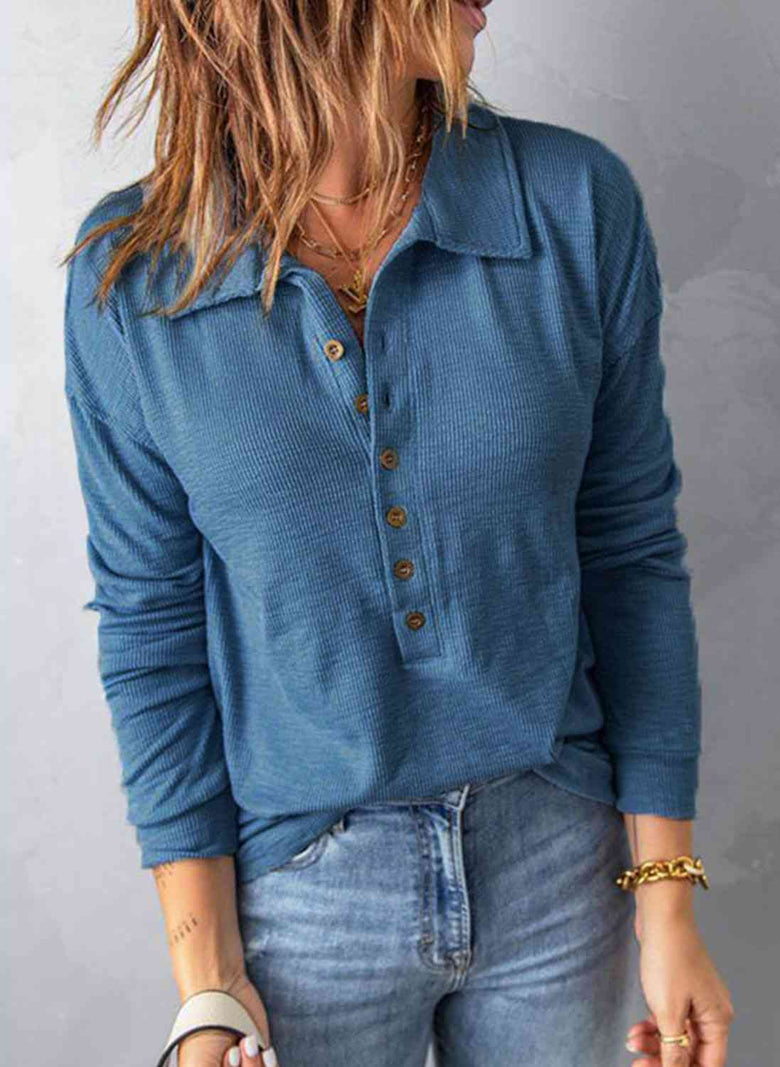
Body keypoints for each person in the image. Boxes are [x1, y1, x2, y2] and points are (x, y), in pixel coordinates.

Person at [61, 2, 734, 1066]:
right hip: (299, 898)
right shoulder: (134, 278)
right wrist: (208, 986)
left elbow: (629, 554)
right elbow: (151, 629)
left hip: (559, 863)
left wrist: (666, 898)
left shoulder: (568, 201)